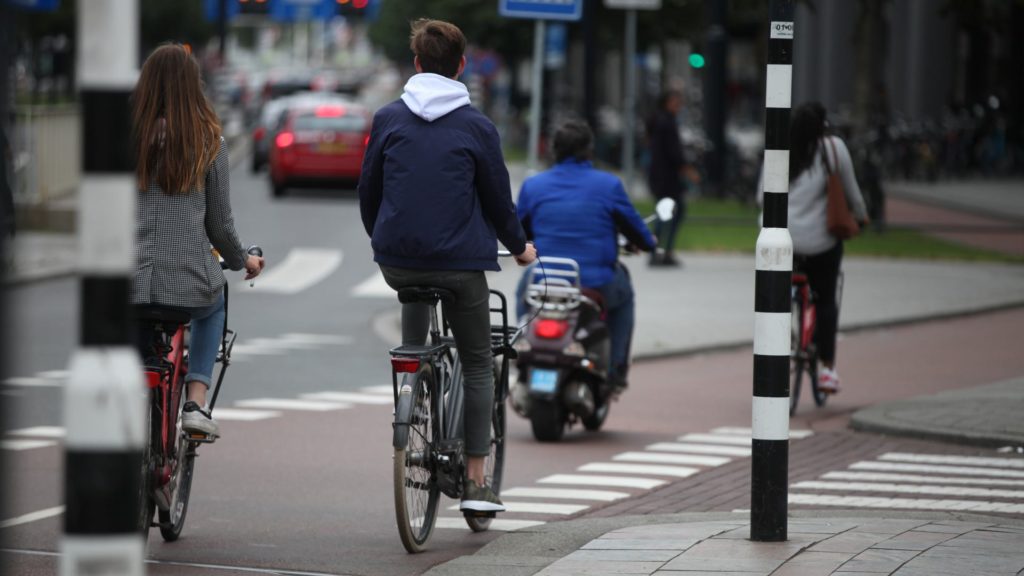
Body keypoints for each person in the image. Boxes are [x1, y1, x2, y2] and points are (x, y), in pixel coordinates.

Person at [357, 19, 536, 513]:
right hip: (460, 266)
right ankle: (476, 482)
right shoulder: (478, 126)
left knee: (413, 337)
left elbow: (368, 192)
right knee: (480, 362)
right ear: (461, 67)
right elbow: (499, 203)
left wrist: (385, 238)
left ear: (416, 65)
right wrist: (520, 247)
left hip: (398, 261)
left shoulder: (388, 119)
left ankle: (414, 383)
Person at [131, 44, 264, 437]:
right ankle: (196, 402)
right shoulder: (210, 144)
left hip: (128, 283)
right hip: (187, 283)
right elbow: (219, 225)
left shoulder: (123, 142)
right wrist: (243, 260)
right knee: (215, 298)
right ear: (194, 87)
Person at [516, 119, 656, 390]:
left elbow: (518, 232)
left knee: (524, 292)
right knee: (624, 298)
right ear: (589, 150)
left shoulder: (534, 186)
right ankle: (616, 370)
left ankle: (522, 347)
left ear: (554, 150)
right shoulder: (608, 185)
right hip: (596, 282)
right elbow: (634, 227)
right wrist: (648, 242)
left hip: (547, 280)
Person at [757, 102, 868, 393]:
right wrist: (862, 217)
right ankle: (827, 368)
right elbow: (852, 192)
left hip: (780, 242)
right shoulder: (833, 149)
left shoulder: (778, 148)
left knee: (775, 296)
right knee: (826, 298)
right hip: (819, 244)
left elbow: (761, 196)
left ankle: (780, 346)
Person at [645, 89, 697, 267]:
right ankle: (660, 251)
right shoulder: (666, 123)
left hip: (659, 175)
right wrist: (687, 170)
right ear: (667, 103)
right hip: (667, 178)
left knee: (666, 212)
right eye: (675, 102)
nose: (678, 106)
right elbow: (674, 152)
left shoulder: (658, 120)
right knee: (668, 213)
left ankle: (659, 251)